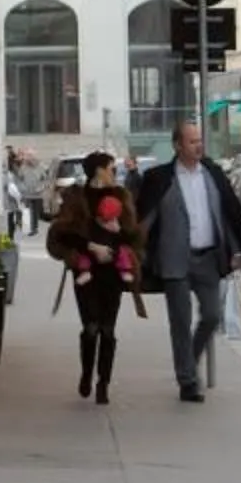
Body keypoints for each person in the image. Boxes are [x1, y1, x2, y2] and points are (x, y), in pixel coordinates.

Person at [136, 120, 241, 405]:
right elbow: (145, 219)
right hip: (174, 260)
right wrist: (135, 251)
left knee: (212, 315)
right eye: (192, 141)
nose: (198, 145)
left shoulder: (213, 174)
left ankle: (188, 361)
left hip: (208, 257)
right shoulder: (160, 178)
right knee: (179, 322)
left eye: (199, 140)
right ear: (178, 145)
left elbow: (230, 214)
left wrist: (239, 250)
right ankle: (188, 382)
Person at [46, 152, 144, 407]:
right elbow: (61, 234)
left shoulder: (121, 196)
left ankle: (104, 383)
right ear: (98, 170)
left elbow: (134, 237)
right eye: (111, 168)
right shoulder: (76, 197)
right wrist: (91, 247)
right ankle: (87, 372)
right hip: (86, 274)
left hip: (113, 274)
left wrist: (118, 233)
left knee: (108, 331)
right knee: (91, 329)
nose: (114, 172)